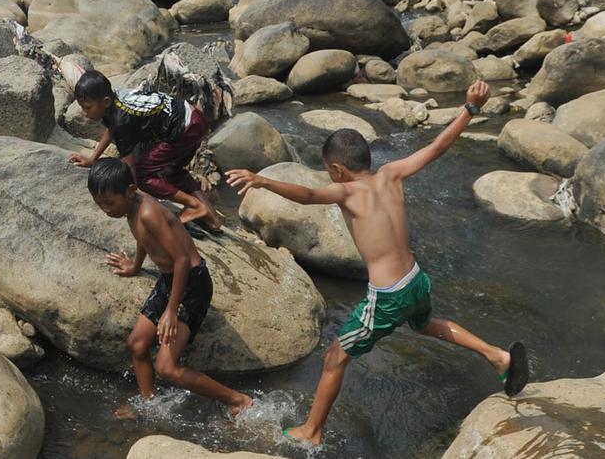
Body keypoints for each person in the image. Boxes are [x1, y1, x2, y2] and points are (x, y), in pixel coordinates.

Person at [226, 81, 529, 447]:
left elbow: (307, 195)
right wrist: (470, 108)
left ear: (337, 170)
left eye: (328, 170)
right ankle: (497, 356)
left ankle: (312, 431)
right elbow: (437, 146)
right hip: (417, 280)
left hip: (389, 295)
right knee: (424, 324)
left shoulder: (347, 191)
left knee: (335, 358)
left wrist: (263, 181)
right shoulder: (391, 174)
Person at [88, 158, 253, 418]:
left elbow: (182, 260)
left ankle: (237, 400)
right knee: (137, 344)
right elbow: (143, 238)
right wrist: (135, 265)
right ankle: (149, 404)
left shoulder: (148, 212)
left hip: (192, 283)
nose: (106, 210)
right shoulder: (130, 208)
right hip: (170, 279)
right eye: (100, 204)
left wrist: (171, 312)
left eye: (109, 203)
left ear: (130, 191)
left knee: (167, 366)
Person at [70, 69, 221, 230]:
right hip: (193, 118)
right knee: (174, 171)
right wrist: (93, 159)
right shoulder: (116, 99)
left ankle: (193, 205)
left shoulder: (121, 120)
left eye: (87, 108)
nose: (84, 113)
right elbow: (111, 129)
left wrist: (131, 198)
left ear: (105, 101)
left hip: (184, 129)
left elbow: (130, 168)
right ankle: (212, 218)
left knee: (143, 175)